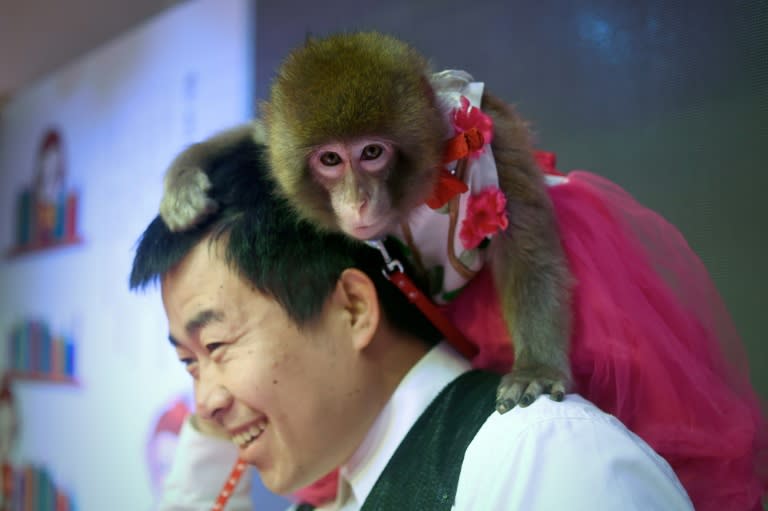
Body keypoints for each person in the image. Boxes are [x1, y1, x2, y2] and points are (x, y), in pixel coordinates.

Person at [129, 133, 695, 510]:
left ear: (354, 308)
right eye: (187, 362)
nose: (201, 404)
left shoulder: (540, 458)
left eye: (217, 343)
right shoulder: (342, 487)